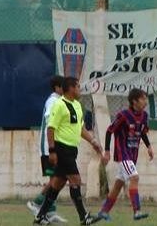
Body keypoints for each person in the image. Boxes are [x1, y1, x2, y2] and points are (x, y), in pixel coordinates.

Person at [33, 77, 104, 225]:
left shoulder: (77, 105)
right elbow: (51, 128)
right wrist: (52, 151)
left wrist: (93, 141)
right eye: (78, 87)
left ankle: (40, 217)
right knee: (76, 180)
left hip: (72, 150)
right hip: (61, 148)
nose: (80, 90)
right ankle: (84, 217)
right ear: (70, 88)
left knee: (57, 183)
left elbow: (81, 128)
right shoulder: (59, 105)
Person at [97, 88, 153, 222]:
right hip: (123, 154)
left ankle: (104, 211)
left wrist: (149, 146)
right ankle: (137, 211)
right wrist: (107, 151)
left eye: (146, 98)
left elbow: (142, 132)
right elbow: (109, 131)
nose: (145, 101)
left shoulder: (144, 116)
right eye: (143, 98)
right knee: (134, 177)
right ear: (134, 101)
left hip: (132, 155)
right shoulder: (123, 115)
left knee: (118, 184)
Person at [26, 76, 67, 223]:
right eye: (64, 86)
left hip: (55, 146)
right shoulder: (53, 101)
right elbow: (50, 121)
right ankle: (36, 203)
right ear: (57, 87)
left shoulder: (60, 101)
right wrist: (52, 148)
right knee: (57, 178)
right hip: (48, 147)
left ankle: (50, 212)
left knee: (56, 179)